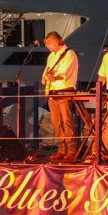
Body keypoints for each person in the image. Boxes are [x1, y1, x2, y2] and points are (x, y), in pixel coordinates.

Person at [41, 31, 79, 162]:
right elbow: (45, 73)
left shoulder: (69, 54)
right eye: (47, 44)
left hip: (64, 90)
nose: (48, 47)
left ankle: (71, 149)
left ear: (58, 41)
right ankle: (61, 149)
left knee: (67, 120)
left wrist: (53, 77)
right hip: (52, 92)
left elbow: (65, 73)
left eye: (49, 44)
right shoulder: (51, 56)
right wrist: (46, 78)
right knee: (56, 122)